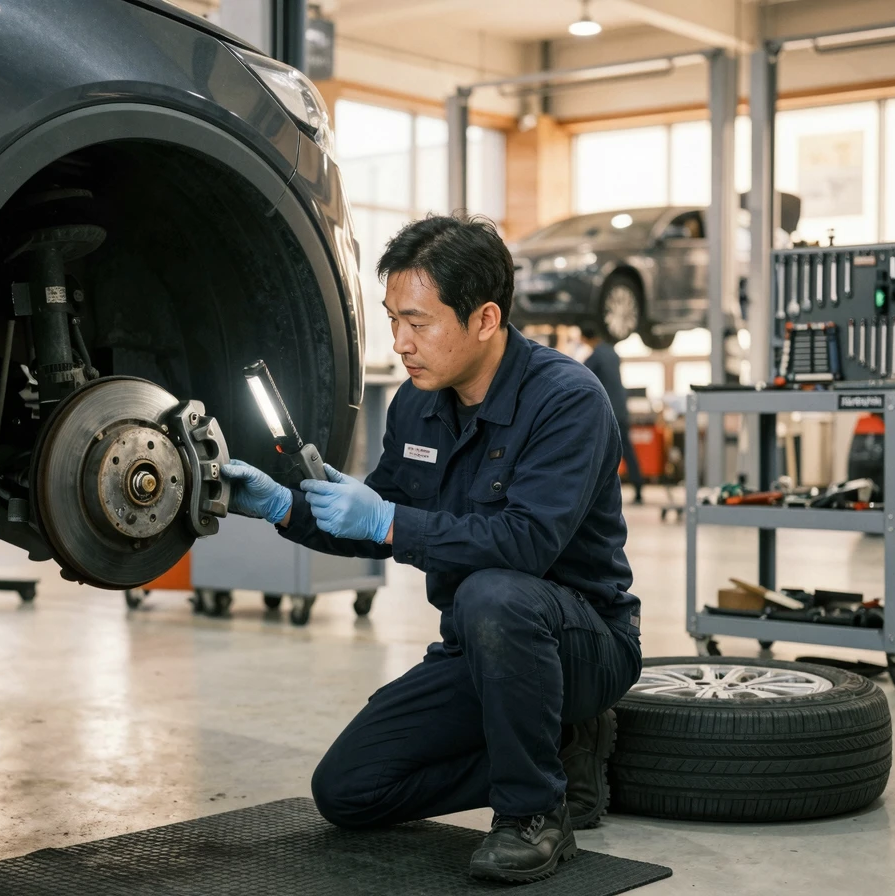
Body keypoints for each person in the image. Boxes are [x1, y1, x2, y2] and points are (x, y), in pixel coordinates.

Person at [222, 215, 642, 885]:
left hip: (583, 641)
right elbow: (370, 518)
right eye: (393, 321)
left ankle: (534, 814)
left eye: (418, 323)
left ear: (484, 319)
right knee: (349, 790)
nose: (401, 343)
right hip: (480, 647)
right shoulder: (418, 407)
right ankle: (562, 753)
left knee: (493, 591)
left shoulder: (567, 402)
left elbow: (524, 544)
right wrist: (281, 506)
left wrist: (388, 519)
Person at [578, 325, 644, 504]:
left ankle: (599, 496)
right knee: (626, 450)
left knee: (599, 451)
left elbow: (578, 375)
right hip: (621, 408)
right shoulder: (612, 352)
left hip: (608, 411)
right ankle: (638, 488)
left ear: (584, 338)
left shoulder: (595, 356)